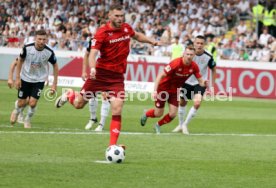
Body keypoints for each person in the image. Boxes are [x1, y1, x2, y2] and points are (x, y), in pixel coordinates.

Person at [55, 4, 161, 147]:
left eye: (121, 16)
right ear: (110, 16)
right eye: (116, 16)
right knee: (79, 104)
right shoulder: (102, 33)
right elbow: (92, 54)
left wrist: (151, 41)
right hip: (99, 75)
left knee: (117, 107)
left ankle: (112, 146)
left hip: (117, 78)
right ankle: (69, 95)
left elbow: (136, 35)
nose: (120, 18)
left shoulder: (126, 28)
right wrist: (92, 68)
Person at [140, 45, 208, 134]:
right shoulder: (175, 63)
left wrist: (204, 84)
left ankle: (157, 125)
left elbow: (200, 81)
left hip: (175, 91)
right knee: (158, 113)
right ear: (183, 54)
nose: (189, 56)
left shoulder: (194, 66)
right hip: (163, 89)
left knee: (172, 114)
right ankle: (146, 114)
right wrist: (155, 91)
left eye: (191, 54)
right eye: (187, 54)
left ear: (194, 55)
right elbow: (160, 75)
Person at [10, 29, 59, 128]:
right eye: (39, 39)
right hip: (25, 78)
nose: (41, 41)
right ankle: (16, 111)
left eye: (44, 39)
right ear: (35, 38)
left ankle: (27, 119)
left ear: (46, 40)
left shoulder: (49, 52)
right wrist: (17, 78)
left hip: (39, 80)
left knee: (32, 103)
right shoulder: (27, 48)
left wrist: (54, 84)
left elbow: (55, 65)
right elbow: (19, 61)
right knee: (22, 102)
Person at [172, 35, 216, 135]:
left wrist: (212, 86)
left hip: (200, 83)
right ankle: (180, 124)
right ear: (194, 44)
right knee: (182, 103)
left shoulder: (208, 56)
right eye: (197, 43)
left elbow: (214, 69)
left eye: (201, 43)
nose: (199, 45)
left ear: (204, 45)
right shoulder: (188, 54)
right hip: (186, 81)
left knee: (197, 103)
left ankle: (185, 125)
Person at [82, 32, 110, 132]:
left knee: (105, 96)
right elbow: (87, 55)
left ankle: (101, 124)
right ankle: (93, 118)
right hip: (96, 70)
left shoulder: (114, 39)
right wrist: (84, 71)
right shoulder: (94, 40)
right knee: (91, 95)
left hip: (108, 71)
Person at [8, 58, 27, 124]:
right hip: (22, 80)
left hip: (33, 81)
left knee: (29, 100)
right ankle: (19, 113)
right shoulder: (25, 53)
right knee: (25, 100)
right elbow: (14, 63)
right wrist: (10, 78)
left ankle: (18, 111)